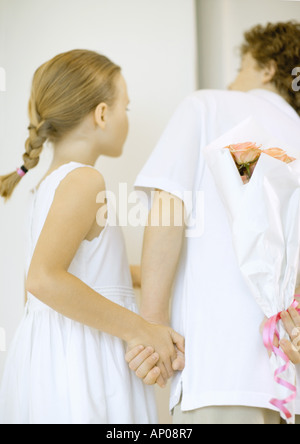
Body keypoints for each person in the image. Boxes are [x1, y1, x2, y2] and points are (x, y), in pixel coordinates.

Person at [126, 21, 300, 424]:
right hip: (287, 382)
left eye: (242, 65)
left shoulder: (208, 106)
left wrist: (153, 326)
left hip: (218, 373)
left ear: (268, 68)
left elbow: (168, 209)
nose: (232, 78)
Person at [0, 49, 185, 424]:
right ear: (102, 114)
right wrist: (143, 329)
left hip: (52, 359)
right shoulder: (85, 180)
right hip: (83, 362)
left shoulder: (45, 188)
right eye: (125, 108)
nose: (127, 118)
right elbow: (43, 280)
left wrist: (147, 275)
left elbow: (78, 278)